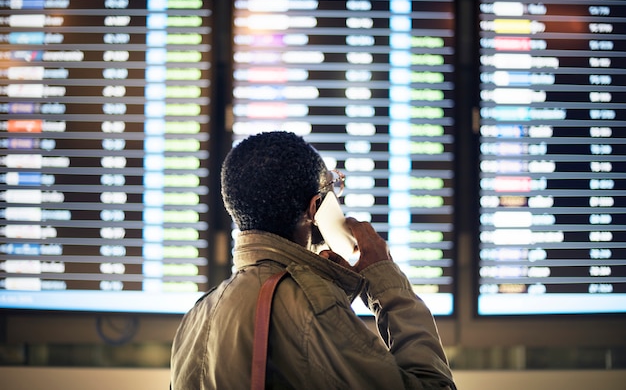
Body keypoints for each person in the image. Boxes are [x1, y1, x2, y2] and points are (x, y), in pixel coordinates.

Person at [170, 131, 456, 389]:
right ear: (315, 207)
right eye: (334, 190)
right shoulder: (312, 307)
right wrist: (385, 280)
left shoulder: (196, 317)